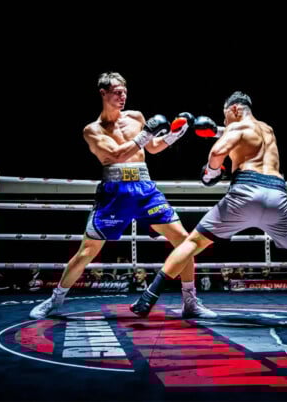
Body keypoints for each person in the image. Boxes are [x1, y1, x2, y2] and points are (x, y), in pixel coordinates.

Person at [130, 91, 287, 334]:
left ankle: (147, 299)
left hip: (246, 193)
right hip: (277, 197)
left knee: (192, 242)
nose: (225, 122)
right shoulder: (267, 128)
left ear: (235, 110)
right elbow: (241, 135)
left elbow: (217, 152)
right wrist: (215, 129)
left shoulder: (236, 128)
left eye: (225, 116)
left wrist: (212, 172)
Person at [29, 72, 216, 319]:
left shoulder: (136, 117)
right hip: (115, 193)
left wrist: (174, 134)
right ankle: (55, 301)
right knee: (87, 251)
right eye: (117, 92)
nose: (122, 96)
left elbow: (153, 147)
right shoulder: (92, 130)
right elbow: (116, 155)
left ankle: (190, 302)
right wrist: (146, 133)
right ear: (103, 93)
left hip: (145, 188)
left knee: (184, 241)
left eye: (124, 92)